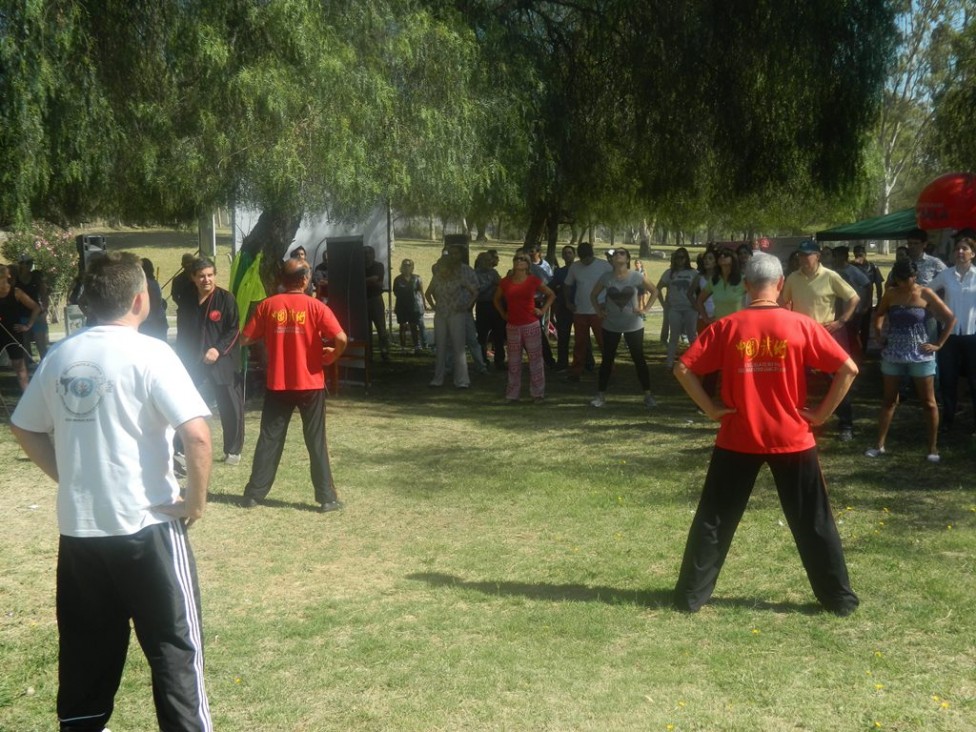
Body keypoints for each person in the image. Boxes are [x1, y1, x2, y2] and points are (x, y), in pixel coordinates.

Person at [10, 251, 214, 731]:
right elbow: (198, 435)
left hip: (81, 536)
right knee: (174, 651)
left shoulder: (62, 354)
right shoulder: (151, 352)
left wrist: (72, 477)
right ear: (141, 300)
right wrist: (194, 502)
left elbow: (24, 428)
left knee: (85, 655)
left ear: (88, 304)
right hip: (149, 529)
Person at [672, 253, 859, 617]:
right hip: (793, 438)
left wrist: (710, 409)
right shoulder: (801, 325)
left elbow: (683, 368)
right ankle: (840, 600)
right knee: (813, 521)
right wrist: (821, 414)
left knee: (715, 518)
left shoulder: (728, 326)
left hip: (738, 436)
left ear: (745, 286)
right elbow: (848, 369)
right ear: (779, 285)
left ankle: (690, 597)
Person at [241, 258, 347, 511]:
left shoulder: (268, 306)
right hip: (310, 383)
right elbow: (340, 337)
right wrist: (333, 354)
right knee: (315, 440)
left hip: (278, 384)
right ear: (304, 280)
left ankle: (253, 495)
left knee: (269, 438)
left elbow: (245, 338)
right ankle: (326, 498)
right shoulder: (316, 307)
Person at [866, 258, 955, 462]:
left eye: (909, 279)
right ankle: (879, 445)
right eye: (901, 280)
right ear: (896, 279)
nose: (906, 283)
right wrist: (878, 333)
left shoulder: (925, 293)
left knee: (928, 402)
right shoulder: (891, 294)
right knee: (889, 400)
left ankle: (933, 448)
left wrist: (939, 344)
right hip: (894, 351)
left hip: (920, 353)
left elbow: (950, 318)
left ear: (915, 276)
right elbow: (879, 314)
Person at [780, 239, 860, 441]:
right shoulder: (792, 278)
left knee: (837, 378)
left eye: (807, 255)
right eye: (800, 255)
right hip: (800, 336)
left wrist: (841, 321)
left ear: (817, 256)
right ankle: (797, 419)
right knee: (796, 378)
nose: (803, 259)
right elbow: (784, 302)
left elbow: (854, 298)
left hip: (826, 333)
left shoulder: (830, 276)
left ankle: (846, 424)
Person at [185, 258, 245, 464]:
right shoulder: (187, 300)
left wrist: (217, 350)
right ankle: (182, 450)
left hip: (223, 361)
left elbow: (234, 329)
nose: (206, 280)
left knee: (229, 403)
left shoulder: (225, 299)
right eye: (201, 276)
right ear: (193, 278)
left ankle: (233, 450)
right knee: (186, 402)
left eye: (210, 275)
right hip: (194, 360)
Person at [589, 247, 658, 408]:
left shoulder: (636, 276)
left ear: (627, 259)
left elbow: (654, 291)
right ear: (612, 260)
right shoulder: (606, 277)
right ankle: (600, 396)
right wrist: (599, 311)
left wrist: (645, 309)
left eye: (621, 253)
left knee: (638, 358)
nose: (617, 256)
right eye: (615, 254)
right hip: (610, 324)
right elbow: (593, 295)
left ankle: (648, 394)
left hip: (633, 325)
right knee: (607, 359)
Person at [929, 230, 976, 435]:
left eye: (964, 249)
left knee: (974, 380)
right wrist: (937, 315)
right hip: (949, 337)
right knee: (948, 379)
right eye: (957, 248)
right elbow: (927, 292)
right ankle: (948, 421)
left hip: (973, 336)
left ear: (973, 253)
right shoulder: (946, 274)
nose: (960, 252)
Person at [493, 252, 555, 402]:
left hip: (531, 324)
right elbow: (496, 299)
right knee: (514, 362)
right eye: (516, 259)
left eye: (522, 259)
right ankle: (512, 395)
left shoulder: (533, 280)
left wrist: (542, 310)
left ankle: (537, 394)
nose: (519, 261)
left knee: (536, 361)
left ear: (528, 264)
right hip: (513, 326)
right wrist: (503, 314)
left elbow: (551, 294)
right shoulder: (505, 282)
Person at [425, 245, 479, 388]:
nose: (442, 270)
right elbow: (427, 293)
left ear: (450, 268)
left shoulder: (459, 278)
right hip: (441, 314)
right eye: (440, 268)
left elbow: (475, 291)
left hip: (457, 314)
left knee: (458, 347)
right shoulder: (437, 279)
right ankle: (438, 378)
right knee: (441, 346)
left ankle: (462, 380)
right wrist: (434, 305)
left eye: (444, 268)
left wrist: (467, 306)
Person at [564, 241, 612, 381]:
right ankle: (576, 371)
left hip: (599, 311)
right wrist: (568, 302)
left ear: (592, 255)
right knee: (580, 343)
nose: (585, 262)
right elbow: (567, 285)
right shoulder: (575, 267)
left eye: (588, 259)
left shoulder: (604, 266)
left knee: (604, 342)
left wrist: (607, 304)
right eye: (583, 259)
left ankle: (609, 370)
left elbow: (614, 286)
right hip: (580, 311)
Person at [656, 247, 702, 369]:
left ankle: (695, 362)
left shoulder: (694, 273)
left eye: (682, 257)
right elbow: (657, 289)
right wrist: (663, 304)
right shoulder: (669, 273)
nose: (679, 260)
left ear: (686, 258)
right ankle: (670, 364)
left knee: (692, 336)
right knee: (674, 337)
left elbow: (702, 291)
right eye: (677, 257)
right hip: (674, 309)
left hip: (690, 309)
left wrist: (697, 305)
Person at [0, 264, 41, 390]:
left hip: (14, 333)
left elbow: (36, 307)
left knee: (20, 368)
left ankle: (27, 397)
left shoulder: (16, 292)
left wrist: (27, 325)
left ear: (8, 275)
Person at [830, 246, 872, 362]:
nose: (834, 258)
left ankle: (858, 359)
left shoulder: (853, 270)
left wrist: (867, 304)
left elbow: (867, 284)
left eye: (836, 255)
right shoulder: (832, 270)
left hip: (851, 309)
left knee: (852, 334)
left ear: (843, 256)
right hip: (836, 308)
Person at [14, 254, 51, 360]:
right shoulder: (15, 279)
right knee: (24, 347)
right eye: (27, 263)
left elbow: (44, 294)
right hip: (22, 316)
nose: (30, 265)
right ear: (21, 265)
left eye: (31, 262)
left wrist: (45, 310)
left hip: (37, 315)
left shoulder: (36, 277)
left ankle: (45, 370)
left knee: (41, 345)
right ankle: (26, 372)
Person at [474, 251, 504, 368]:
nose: (489, 263)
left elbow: (501, 285)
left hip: (496, 305)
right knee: (482, 335)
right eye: (486, 260)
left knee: (499, 333)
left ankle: (499, 360)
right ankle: (483, 361)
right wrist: (490, 284)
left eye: (490, 260)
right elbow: (477, 290)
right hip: (483, 305)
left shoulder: (494, 272)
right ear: (480, 262)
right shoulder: (475, 274)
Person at [851, 244, 884, 351]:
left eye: (860, 254)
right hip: (852, 303)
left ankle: (863, 350)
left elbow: (878, 285)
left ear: (865, 254)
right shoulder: (850, 267)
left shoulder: (873, 267)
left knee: (865, 328)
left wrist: (879, 301)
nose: (858, 257)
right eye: (856, 255)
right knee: (853, 328)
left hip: (867, 302)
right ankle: (854, 351)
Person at [392, 258, 426, 353]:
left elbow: (421, 292)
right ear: (402, 267)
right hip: (401, 306)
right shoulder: (397, 279)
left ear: (412, 267)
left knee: (414, 326)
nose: (407, 267)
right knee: (402, 326)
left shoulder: (417, 278)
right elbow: (395, 292)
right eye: (405, 265)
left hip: (414, 306)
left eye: (409, 265)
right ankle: (402, 347)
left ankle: (417, 346)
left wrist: (424, 304)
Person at [364, 245, 390, 361]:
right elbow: (374, 281)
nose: (367, 255)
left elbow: (376, 279)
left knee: (381, 327)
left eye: (369, 253)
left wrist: (362, 281)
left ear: (373, 255)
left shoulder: (378, 266)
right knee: (366, 329)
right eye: (365, 253)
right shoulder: (358, 266)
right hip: (363, 300)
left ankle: (384, 352)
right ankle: (369, 355)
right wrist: (371, 281)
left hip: (376, 299)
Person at [139, 257, 169, 341]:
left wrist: (155, 322)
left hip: (152, 322)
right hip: (156, 320)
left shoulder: (147, 284)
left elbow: (154, 304)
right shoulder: (153, 282)